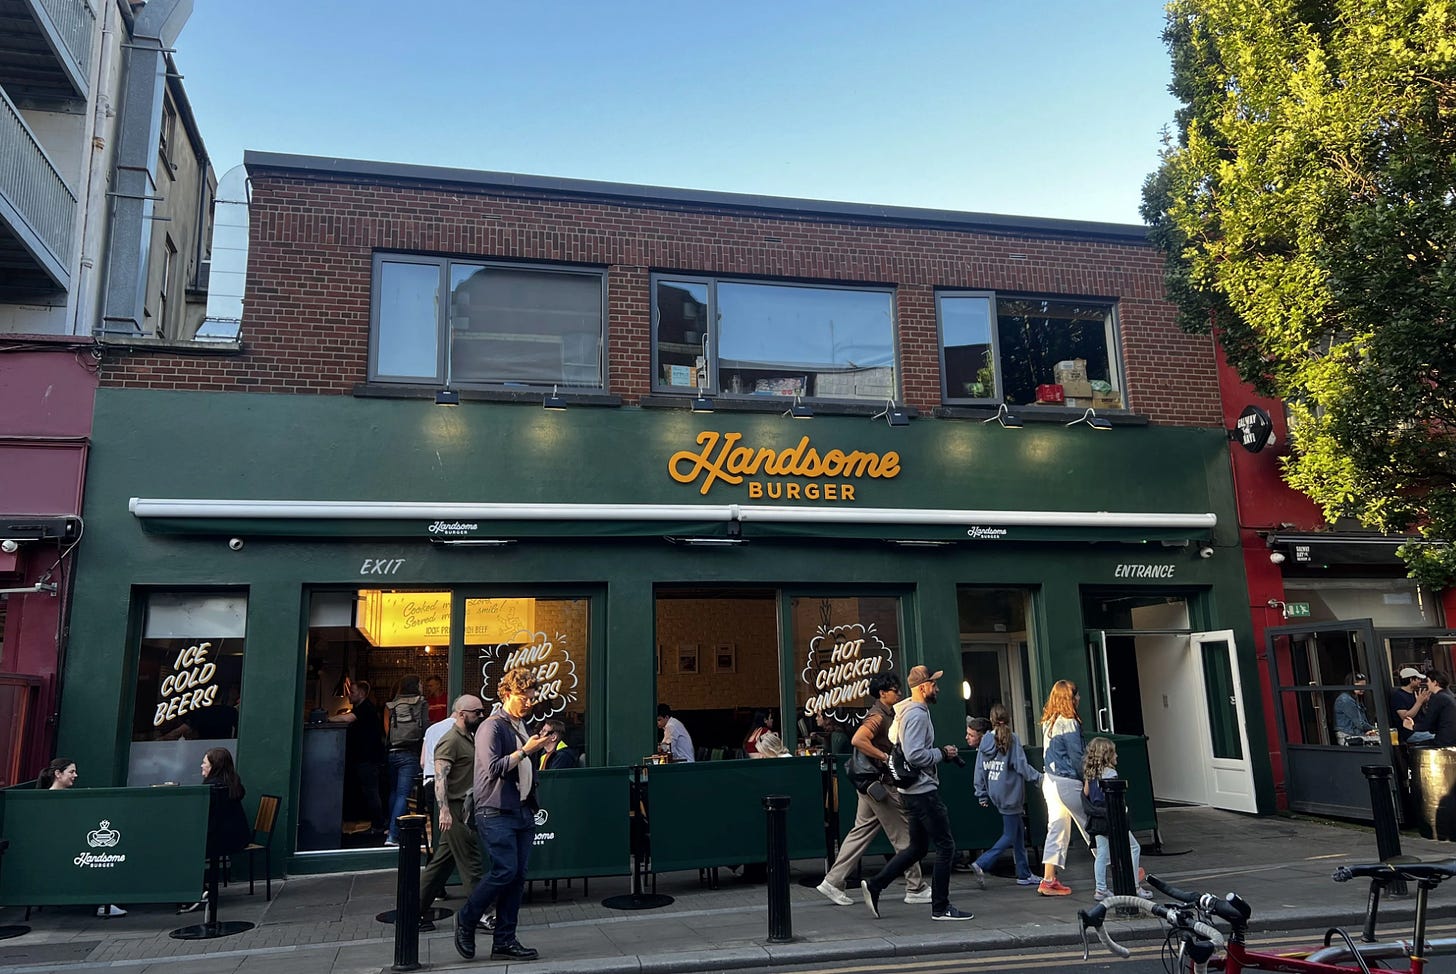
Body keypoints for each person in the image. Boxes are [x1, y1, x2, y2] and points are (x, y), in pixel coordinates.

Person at [859, 665, 973, 922]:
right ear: (923, 687)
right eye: (934, 684)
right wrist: (941, 753)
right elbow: (914, 755)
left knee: (918, 848)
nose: (937, 688)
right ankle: (941, 907)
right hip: (923, 792)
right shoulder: (917, 715)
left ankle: (876, 885)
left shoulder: (905, 712)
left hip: (910, 791)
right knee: (946, 847)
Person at [454, 668, 553, 962]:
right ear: (508, 694)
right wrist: (527, 750)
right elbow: (494, 767)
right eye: (524, 697)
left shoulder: (518, 724)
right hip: (495, 810)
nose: (529, 703)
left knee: (517, 876)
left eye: (532, 698)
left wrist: (534, 748)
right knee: (505, 871)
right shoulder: (491, 727)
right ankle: (467, 918)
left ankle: (505, 941)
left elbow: (520, 765)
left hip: (521, 810)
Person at [817, 673, 931, 907]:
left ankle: (832, 881)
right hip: (880, 784)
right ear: (883, 693)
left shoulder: (886, 713)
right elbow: (858, 740)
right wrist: (886, 757)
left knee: (860, 833)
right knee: (904, 835)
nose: (899, 693)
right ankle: (916, 887)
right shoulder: (878, 716)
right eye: (895, 690)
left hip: (869, 785)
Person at [419, 695, 489, 931]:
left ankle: (413, 910)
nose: (481, 716)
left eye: (482, 712)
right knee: (472, 863)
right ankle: (483, 914)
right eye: (476, 712)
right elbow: (440, 778)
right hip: (457, 809)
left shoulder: (469, 737)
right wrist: (445, 811)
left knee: (441, 865)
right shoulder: (450, 740)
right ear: (461, 714)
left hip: (466, 806)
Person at [39, 759, 127, 918]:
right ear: (58, 774)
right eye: (71, 772)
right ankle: (103, 904)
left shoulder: (68, 797)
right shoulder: (50, 800)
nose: (75, 775)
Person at [971, 704, 1042, 888]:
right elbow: (1021, 766)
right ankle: (982, 863)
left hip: (995, 792)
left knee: (1018, 833)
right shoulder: (1013, 739)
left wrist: (981, 794)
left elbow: (979, 770)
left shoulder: (985, 741)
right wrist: (1040, 779)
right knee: (1010, 834)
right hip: (1011, 794)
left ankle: (1024, 873)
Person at [1082, 737, 1154, 901]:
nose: (1117, 756)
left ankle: (1100, 888)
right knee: (1134, 848)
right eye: (1114, 752)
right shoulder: (1111, 773)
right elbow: (1115, 797)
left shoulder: (1090, 774)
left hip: (1097, 819)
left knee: (1101, 854)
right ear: (1107, 755)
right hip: (1113, 818)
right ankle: (1134, 885)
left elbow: (1086, 794)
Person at [1039, 679, 1088, 896]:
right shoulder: (1069, 722)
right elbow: (1077, 757)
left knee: (1057, 829)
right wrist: (1087, 777)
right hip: (1068, 782)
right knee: (1094, 826)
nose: (1079, 699)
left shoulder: (1049, 721)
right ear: (1069, 698)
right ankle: (1126, 870)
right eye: (1076, 695)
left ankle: (1048, 880)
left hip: (1050, 781)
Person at [331, 677, 387, 837]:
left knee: (371, 792)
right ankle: (376, 823)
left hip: (368, 759)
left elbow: (348, 718)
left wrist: (326, 719)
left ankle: (378, 824)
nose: (349, 695)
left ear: (362, 693)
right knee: (369, 791)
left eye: (352, 692)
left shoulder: (365, 708)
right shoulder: (363, 708)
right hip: (366, 758)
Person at [384, 676, 428, 846]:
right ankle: (393, 836)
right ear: (415, 686)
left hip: (392, 753)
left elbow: (388, 732)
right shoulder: (421, 703)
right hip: (410, 753)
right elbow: (425, 728)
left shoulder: (391, 704)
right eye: (420, 683)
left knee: (394, 792)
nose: (422, 686)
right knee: (404, 794)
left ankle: (390, 827)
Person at [1408, 670, 1456, 746]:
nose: (1427, 684)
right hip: (1452, 738)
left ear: (1435, 682)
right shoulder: (1450, 695)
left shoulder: (1438, 698)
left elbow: (1428, 724)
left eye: (1428, 681)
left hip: (1445, 741)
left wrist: (1412, 726)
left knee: (1413, 746)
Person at [1333, 672, 1377, 745]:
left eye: (1364, 686)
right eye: (1360, 686)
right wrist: (1375, 729)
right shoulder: (1345, 700)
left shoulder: (1355, 698)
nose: (1363, 689)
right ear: (1351, 685)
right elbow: (1359, 723)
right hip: (1347, 736)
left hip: (1355, 734)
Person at [1390, 666, 1426, 743]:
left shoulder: (1414, 693)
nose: (1420, 681)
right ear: (1411, 679)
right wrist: (1419, 702)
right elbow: (1405, 717)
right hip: (1409, 734)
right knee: (1438, 737)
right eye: (1418, 679)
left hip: (1419, 729)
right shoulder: (1398, 696)